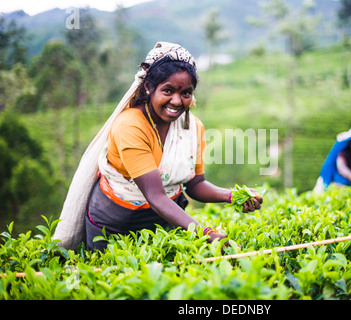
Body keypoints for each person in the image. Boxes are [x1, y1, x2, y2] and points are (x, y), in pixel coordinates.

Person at [54, 42, 262, 251]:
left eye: (186, 93)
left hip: (165, 220)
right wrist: (205, 233)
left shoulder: (192, 127)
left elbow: (196, 185)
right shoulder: (131, 126)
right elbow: (155, 196)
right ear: (148, 87)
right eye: (168, 90)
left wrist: (233, 195)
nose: (177, 101)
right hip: (115, 224)